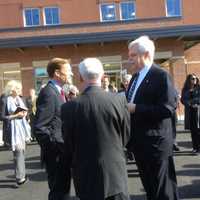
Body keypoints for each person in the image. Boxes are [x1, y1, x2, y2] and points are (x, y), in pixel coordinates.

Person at [61, 58, 130, 200]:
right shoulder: (119, 100)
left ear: (80, 77)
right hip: (115, 174)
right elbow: (126, 135)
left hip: (85, 176)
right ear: (103, 75)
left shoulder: (69, 108)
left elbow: (69, 144)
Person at [126, 36, 179, 200]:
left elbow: (168, 108)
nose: (129, 59)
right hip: (140, 145)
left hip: (156, 146)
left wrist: (136, 108)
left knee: (163, 192)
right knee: (151, 190)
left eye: (133, 55)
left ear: (146, 54)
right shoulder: (135, 77)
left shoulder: (161, 76)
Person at [34, 58, 73, 200]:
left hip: (62, 153)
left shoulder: (59, 92)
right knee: (59, 194)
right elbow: (40, 128)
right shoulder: (49, 93)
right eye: (68, 70)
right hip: (57, 155)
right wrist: (55, 151)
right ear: (57, 73)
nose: (71, 74)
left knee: (63, 192)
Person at [0, 80, 31, 186]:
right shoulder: (4, 99)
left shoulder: (20, 99)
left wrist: (25, 113)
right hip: (12, 130)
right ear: (12, 89)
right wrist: (15, 116)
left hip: (22, 130)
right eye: (18, 88)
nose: (20, 90)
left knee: (21, 152)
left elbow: (25, 112)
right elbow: (2, 117)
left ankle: (21, 174)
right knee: (18, 152)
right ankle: (20, 177)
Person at [181, 74, 200, 154]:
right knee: (193, 131)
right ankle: (195, 147)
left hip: (198, 111)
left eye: (195, 78)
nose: (194, 80)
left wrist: (194, 102)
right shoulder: (185, 89)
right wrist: (188, 104)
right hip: (190, 112)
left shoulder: (199, 88)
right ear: (189, 80)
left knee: (198, 130)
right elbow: (182, 99)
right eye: (192, 79)